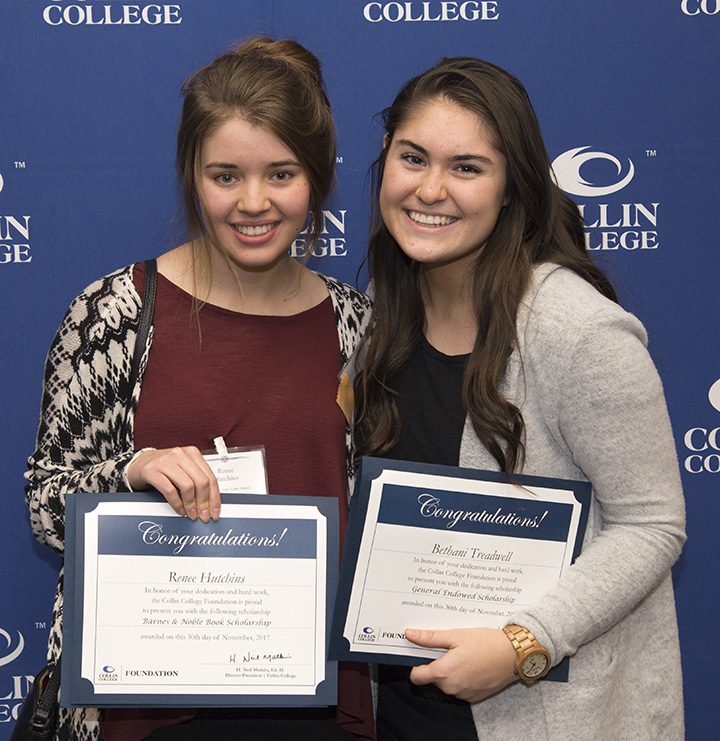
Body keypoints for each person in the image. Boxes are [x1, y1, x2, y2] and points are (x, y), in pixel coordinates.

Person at [25, 37, 374, 741]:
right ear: (191, 174)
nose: (254, 202)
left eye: (281, 173)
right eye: (225, 175)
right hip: (147, 709)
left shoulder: (355, 323)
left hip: (318, 708)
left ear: (316, 178)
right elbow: (45, 505)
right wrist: (130, 469)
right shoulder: (115, 312)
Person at [354, 56, 686, 740]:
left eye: (468, 167)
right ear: (385, 158)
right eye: (414, 157)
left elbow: (653, 523)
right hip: (402, 716)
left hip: (545, 716)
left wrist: (520, 643)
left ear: (511, 188)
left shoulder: (576, 330)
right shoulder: (376, 325)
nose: (431, 188)